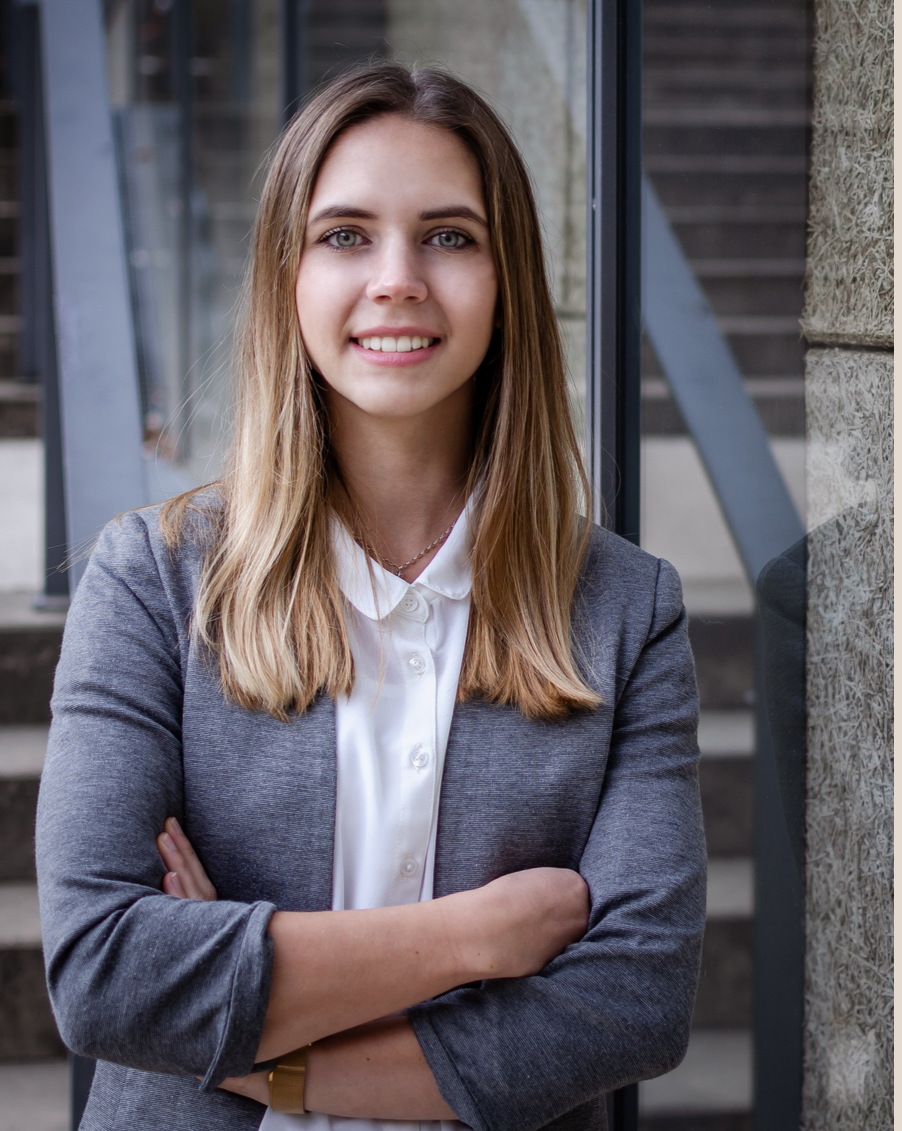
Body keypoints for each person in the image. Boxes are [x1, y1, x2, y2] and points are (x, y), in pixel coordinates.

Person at [35, 64, 705, 1131]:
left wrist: (258, 1050)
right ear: (286, 275)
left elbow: (633, 1006)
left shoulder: (624, 611)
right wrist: (477, 937)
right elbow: (103, 971)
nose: (396, 278)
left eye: (448, 236)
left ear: (506, 281)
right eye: (345, 235)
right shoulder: (152, 581)